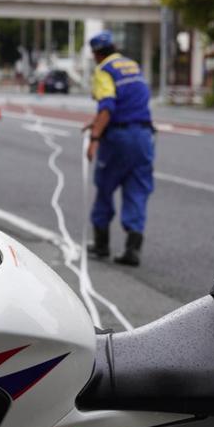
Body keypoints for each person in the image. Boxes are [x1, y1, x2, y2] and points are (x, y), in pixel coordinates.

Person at [84, 30, 154, 267]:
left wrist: (95, 137)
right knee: (137, 189)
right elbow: (133, 101)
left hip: (118, 138)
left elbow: (107, 107)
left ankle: (101, 245)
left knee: (105, 186)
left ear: (96, 53)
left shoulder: (104, 69)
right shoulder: (132, 65)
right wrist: (96, 123)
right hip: (143, 135)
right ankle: (133, 248)